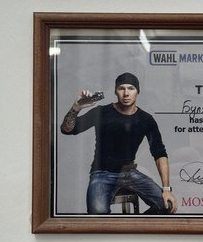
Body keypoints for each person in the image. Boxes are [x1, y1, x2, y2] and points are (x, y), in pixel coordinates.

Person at [60, 72, 177, 215]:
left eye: (131, 88)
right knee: (97, 215)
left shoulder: (146, 119)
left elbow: (159, 153)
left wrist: (166, 189)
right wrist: (76, 106)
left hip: (129, 172)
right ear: (116, 91)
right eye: (121, 88)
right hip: (102, 173)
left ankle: (131, 228)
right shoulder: (101, 112)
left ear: (138, 92)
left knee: (167, 206)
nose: (126, 93)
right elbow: (67, 129)